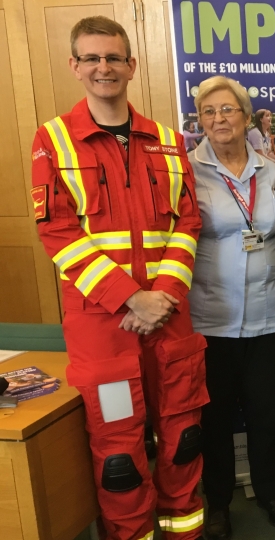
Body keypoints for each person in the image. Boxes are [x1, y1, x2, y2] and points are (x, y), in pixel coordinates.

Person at [30, 16, 206, 539]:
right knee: (119, 456)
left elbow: (187, 222)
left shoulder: (170, 142)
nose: (103, 67)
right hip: (104, 331)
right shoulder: (53, 141)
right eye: (92, 58)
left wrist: (164, 298)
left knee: (184, 439)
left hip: (169, 324)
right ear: (75, 67)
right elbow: (56, 233)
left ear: (132, 65)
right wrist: (130, 299)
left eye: (113, 58)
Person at [187, 77, 275, 538]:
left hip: (271, 313)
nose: (218, 119)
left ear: (247, 117)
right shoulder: (187, 172)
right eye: (208, 112)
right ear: (200, 120)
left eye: (227, 110)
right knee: (215, 417)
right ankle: (219, 503)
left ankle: (270, 491)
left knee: (266, 410)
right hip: (211, 316)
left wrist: (272, 269)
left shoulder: (270, 171)